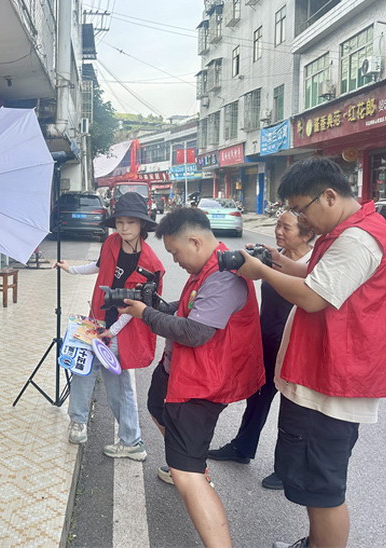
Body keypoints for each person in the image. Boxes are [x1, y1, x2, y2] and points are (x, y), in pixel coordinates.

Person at [236, 157, 386, 548]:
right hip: (324, 375)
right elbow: (314, 275)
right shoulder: (344, 231)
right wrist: (276, 260)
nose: (301, 220)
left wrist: (261, 272)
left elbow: (312, 296)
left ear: (328, 196)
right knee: (313, 483)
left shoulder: (358, 239)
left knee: (324, 490)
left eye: (301, 209)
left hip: (332, 383)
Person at [119, 207, 264, 547]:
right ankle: (187, 461)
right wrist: (156, 306)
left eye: (176, 253)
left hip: (200, 384)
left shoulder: (224, 276)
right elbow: (190, 308)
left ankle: (192, 472)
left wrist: (147, 314)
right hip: (178, 371)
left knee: (187, 474)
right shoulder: (208, 266)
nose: (176, 261)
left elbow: (196, 331)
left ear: (195, 241)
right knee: (156, 407)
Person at [208, 212, 314, 490]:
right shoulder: (275, 255)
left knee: (293, 409)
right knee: (256, 396)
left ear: (306, 234)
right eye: (277, 225)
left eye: (286, 227)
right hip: (266, 340)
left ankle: (288, 470)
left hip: (294, 347)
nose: (278, 231)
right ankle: (242, 447)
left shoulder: (312, 265)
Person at [55, 192, 164, 461]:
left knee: (119, 386)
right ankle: (78, 422)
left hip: (122, 329)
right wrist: (71, 269)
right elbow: (98, 266)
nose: (124, 228)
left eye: (130, 222)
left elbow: (138, 306)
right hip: (97, 320)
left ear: (142, 224)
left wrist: (112, 331)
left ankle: (132, 442)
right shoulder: (111, 242)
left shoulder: (151, 264)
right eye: (120, 222)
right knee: (82, 370)